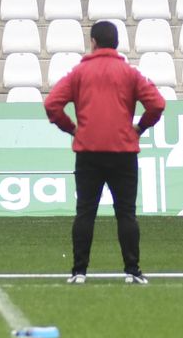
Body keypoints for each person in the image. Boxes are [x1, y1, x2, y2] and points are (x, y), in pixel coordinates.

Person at [43, 20, 167, 285]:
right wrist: (140, 128)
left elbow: (52, 104)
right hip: (123, 151)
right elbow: (157, 104)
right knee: (126, 213)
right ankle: (132, 270)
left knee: (85, 212)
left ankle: (79, 272)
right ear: (117, 43)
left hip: (88, 152)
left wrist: (72, 129)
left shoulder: (79, 73)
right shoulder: (130, 73)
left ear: (93, 42)